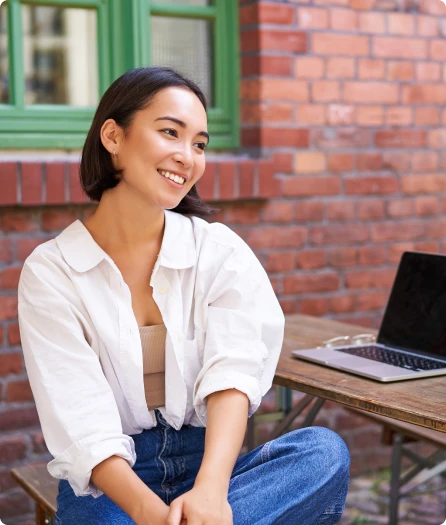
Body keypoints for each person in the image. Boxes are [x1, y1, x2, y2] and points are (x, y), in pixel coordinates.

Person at [18, 66, 350, 525]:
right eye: (170, 133)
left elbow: (233, 370)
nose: (187, 157)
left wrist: (212, 494)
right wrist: (154, 516)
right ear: (113, 137)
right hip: (113, 482)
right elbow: (81, 422)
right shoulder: (52, 271)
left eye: (199, 144)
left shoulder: (217, 250)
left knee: (321, 453)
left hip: (209, 464)